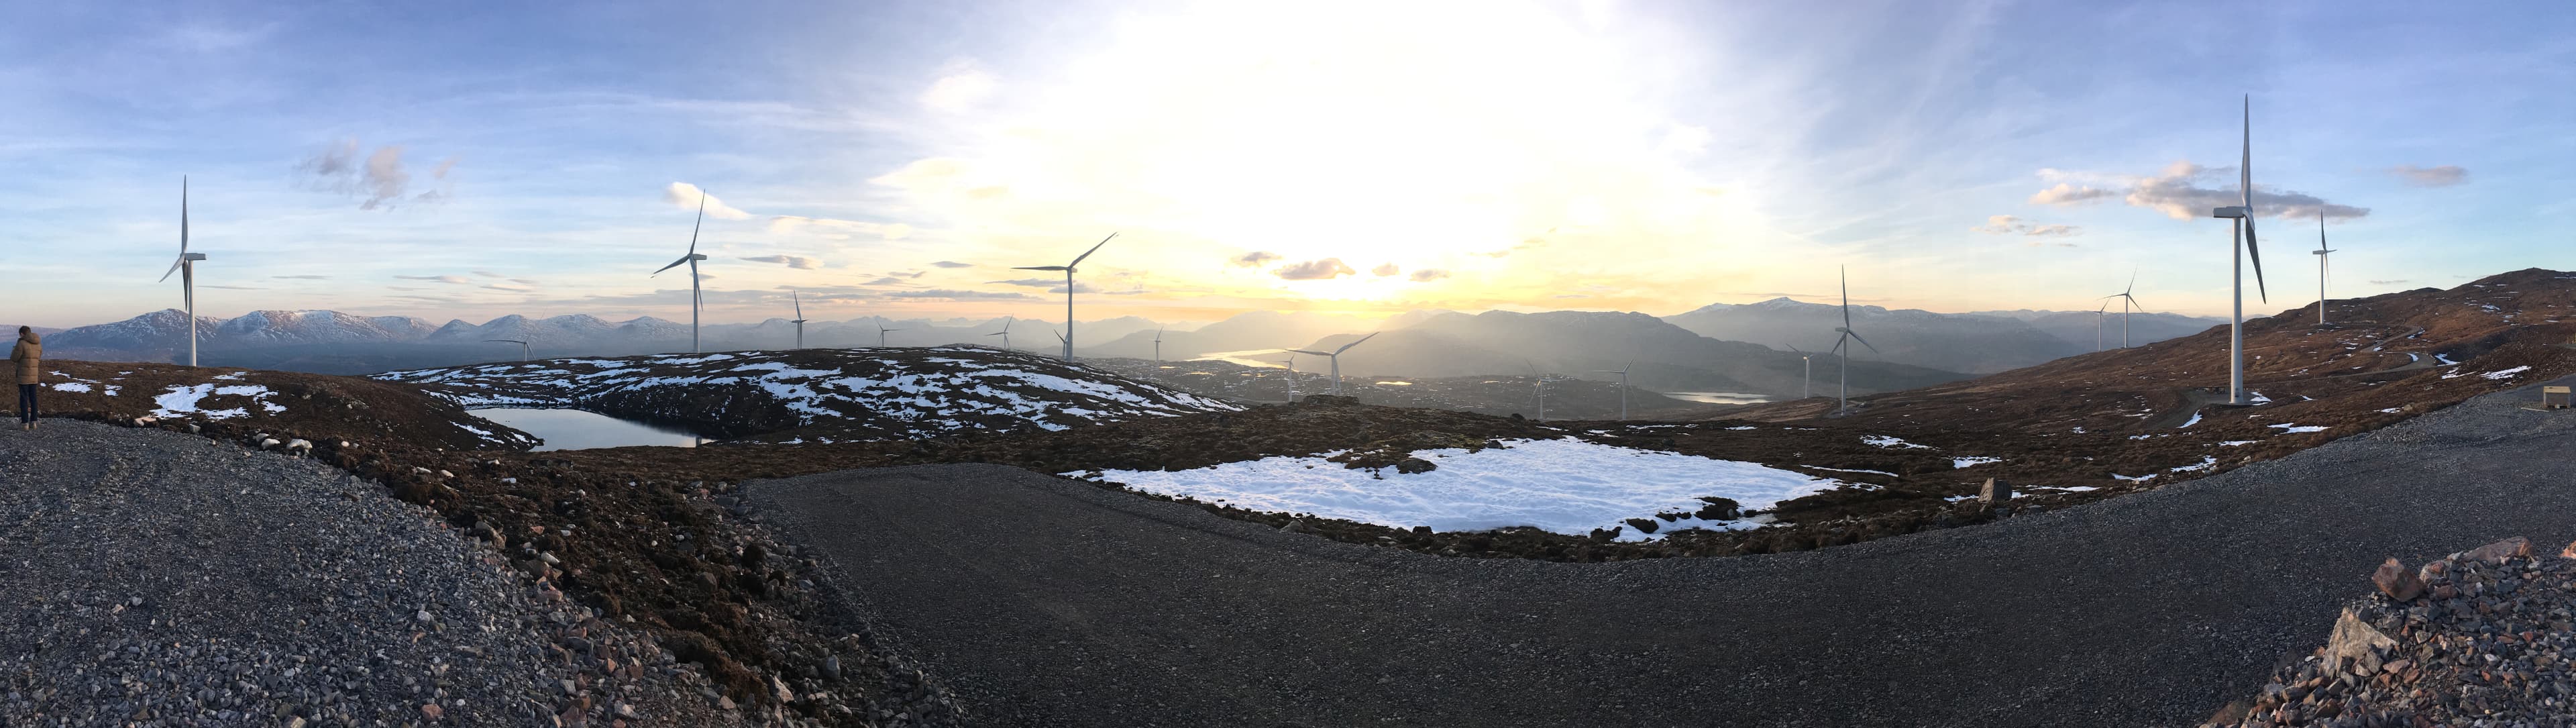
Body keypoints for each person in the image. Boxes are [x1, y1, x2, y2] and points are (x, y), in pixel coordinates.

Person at [10, 326, 38, 431]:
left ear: (22, 334)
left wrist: (15, 348)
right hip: (34, 376)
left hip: (23, 376)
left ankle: (25, 423)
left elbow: (14, 358)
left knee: (24, 399)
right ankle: (34, 422)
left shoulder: (21, 343)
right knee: (34, 399)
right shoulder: (38, 343)